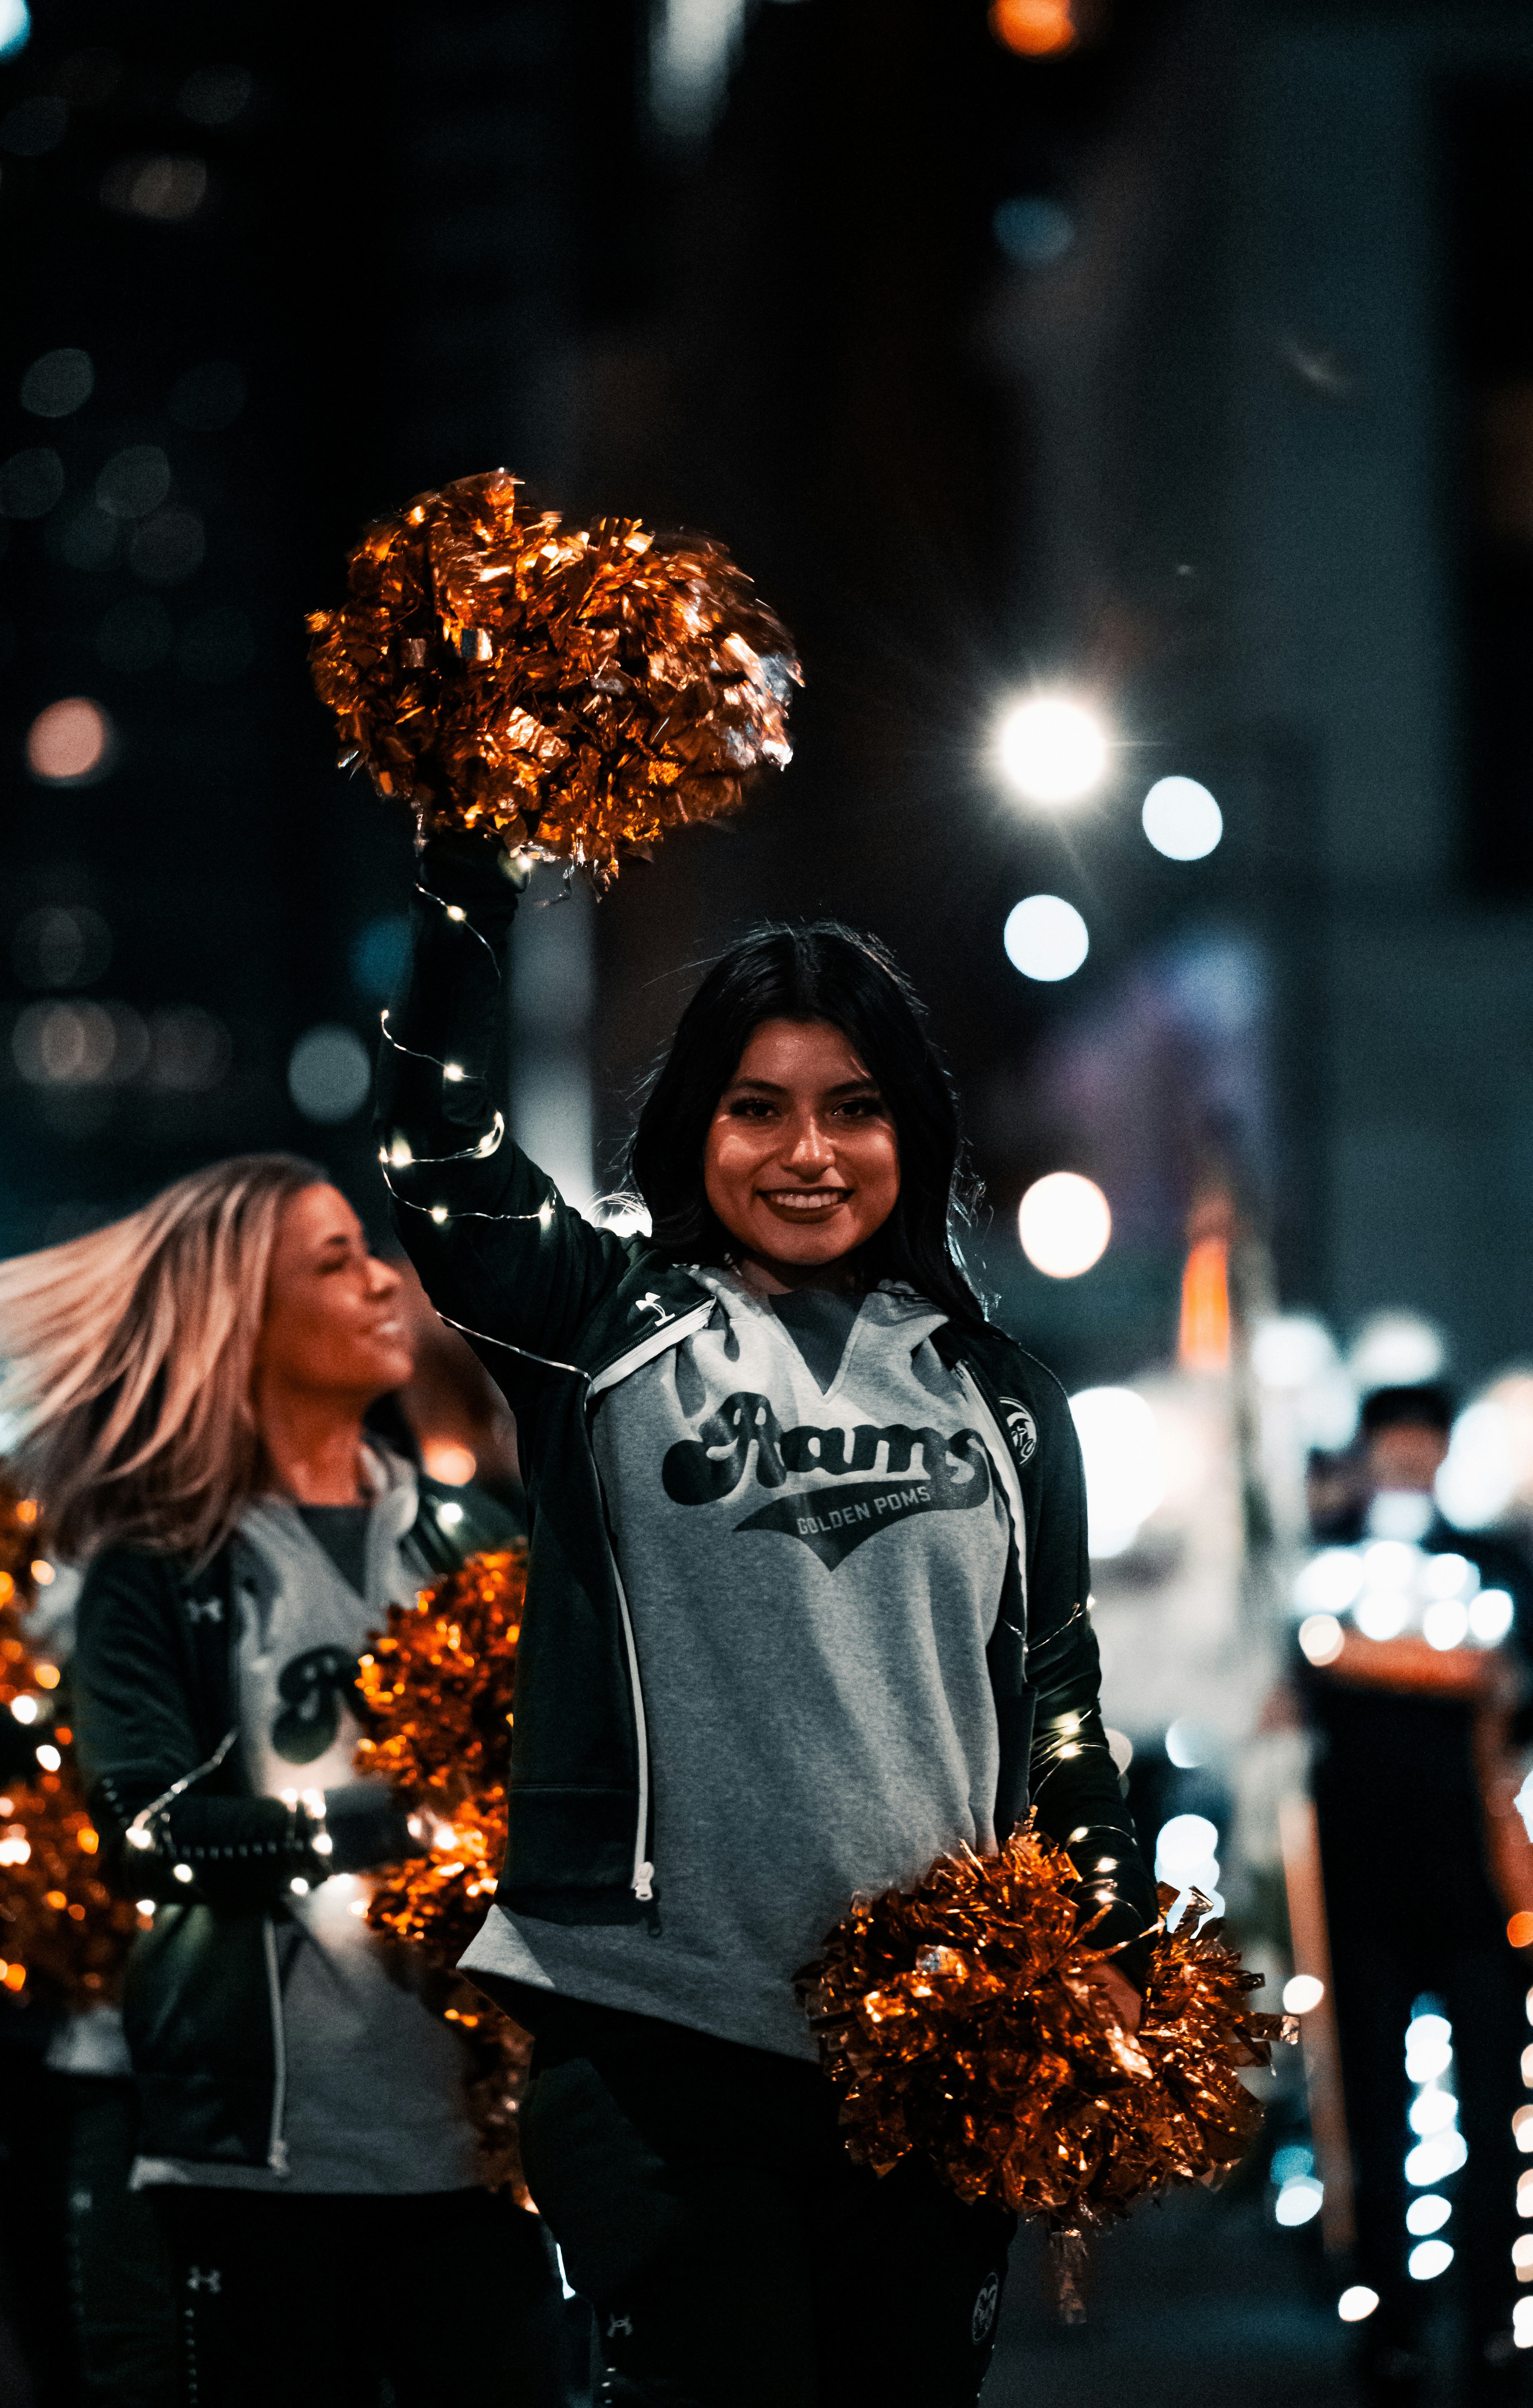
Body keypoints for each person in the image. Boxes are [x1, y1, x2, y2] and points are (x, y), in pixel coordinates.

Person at [375, 831, 1158, 2408]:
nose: (809, 1152)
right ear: (696, 1129)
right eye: (757, 1108)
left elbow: (1060, 1697)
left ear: (910, 1133)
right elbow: (443, 1158)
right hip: (656, 2038)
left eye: (853, 1108)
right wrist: (468, 873)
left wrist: (1105, 1929)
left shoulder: (1004, 1396)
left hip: (934, 2050)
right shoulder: (603, 1327)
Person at [0, 1156, 566, 2408]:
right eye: (334, 1263)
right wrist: (390, 1824)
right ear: (242, 1321)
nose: (383, 1280)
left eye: (370, 1250)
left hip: (475, 2155)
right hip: (257, 2162)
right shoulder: (159, 1568)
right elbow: (146, 1831)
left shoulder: (479, 1542)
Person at [1300, 1383, 1533, 2405]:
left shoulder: (1492, 1560)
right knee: (1376, 2119)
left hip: (1473, 1880)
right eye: (1391, 1439)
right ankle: (1391, 2328)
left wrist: (1363, 1658)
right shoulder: (1321, 1556)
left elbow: (1510, 1680)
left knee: (1491, 2113)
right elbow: (1298, 1669)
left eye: (1421, 1439)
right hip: (1360, 1881)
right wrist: (1446, 1668)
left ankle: (1492, 2326)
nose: (1406, 1456)